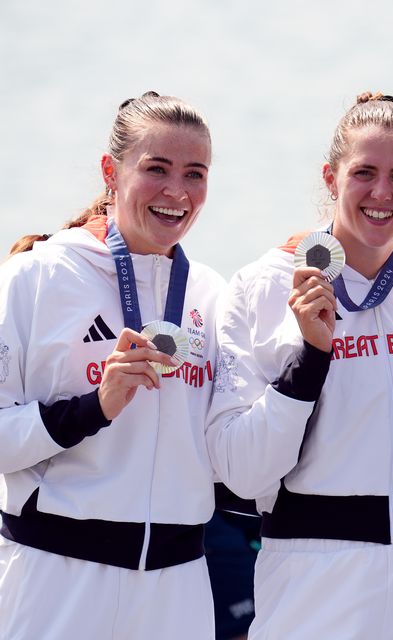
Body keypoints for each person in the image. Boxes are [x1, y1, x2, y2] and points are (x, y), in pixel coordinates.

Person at [206, 92, 393, 639]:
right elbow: (241, 469)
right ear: (331, 177)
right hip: (314, 565)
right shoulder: (262, 285)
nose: (382, 193)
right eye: (364, 173)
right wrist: (309, 361)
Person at [0, 92, 223, 638]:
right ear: (111, 171)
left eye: (195, 173)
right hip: (58, 576)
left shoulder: (213, 295)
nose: (177, 192)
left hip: (178, 587)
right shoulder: (38, 277)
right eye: (157, 169)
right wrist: (93, 409)